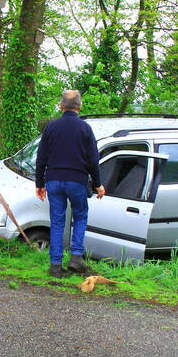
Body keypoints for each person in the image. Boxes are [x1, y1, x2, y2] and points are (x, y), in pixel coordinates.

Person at [35, 90, 106, 277]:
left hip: (54, 181)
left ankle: (55, 266)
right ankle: (76, 258)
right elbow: (93, 160)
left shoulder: (51, 127)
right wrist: (98, 184)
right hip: (76, 181)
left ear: (61, 106)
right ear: (79, 107)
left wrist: (40, 184)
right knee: (80, 216)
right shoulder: (85, 129)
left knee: (57, 221)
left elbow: (41, 158)